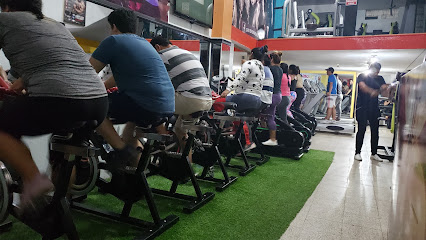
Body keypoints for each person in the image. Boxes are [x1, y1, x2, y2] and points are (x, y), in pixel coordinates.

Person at [0, 0, 108, 213]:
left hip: (61, 100)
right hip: (99, 102)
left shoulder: (5, 20)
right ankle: (61, 205)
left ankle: (33, 179)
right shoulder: (55, 25)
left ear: (7, 7)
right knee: (62, 146)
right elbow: (47, 67)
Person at [89, 9, 175, 168]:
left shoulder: (113, 41)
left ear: (113, 26)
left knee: (94, 109)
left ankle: (121, 150)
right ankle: (136, 175)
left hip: (144, 103)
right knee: (130, 130)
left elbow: (86, 73)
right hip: (167, 105)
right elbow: (120, 77)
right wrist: (103, 86)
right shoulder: (143, 42)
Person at [149, 36, 212, 152]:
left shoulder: (161, 55)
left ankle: (163, 140)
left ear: (157, 47)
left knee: (149, 105)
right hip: (207, 100)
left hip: (189, 99)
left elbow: (154, 83)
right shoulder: (187, 53)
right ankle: (187, 163)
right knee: (180, 130)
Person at [221, 46, 266, 150]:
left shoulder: (249, 63)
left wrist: (228, 89)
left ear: (251, 54)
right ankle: (247, 142)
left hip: (246, 97)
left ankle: (222, 129)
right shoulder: (261, 67)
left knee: (219, 103)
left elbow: (240, 78)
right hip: (257, 100)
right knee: (241, 118)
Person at [354, 63, 390, 162]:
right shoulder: (362, 76)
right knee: (361, 130)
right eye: (375, 70)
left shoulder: (380, 78)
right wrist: (372, 91)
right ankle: (357, 153)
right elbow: (362, 87)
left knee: (375, 131)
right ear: (370, 69)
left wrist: (386, 88)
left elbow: (384, 90)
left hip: (374, 108)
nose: (376, 73)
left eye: (378, 71)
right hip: (362, 107)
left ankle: (374, 153)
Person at [261, 51, 282, 146]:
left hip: (272, 95)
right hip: (278, 95)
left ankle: (273, 139)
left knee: (267, 117)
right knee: (270, 116)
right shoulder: (280, 69)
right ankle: (270, 137)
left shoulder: (270, 69)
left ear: (271, 59)